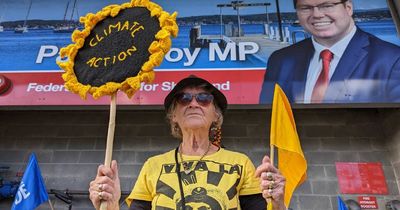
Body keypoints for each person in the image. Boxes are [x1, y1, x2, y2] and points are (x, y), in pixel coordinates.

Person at [88, 75, 287, 210]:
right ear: (173, 115)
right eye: (183, 98)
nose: (193, 103)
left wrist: (278, 204)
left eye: (204, 98)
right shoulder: (152, 165)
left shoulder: (240, 162)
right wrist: (112, 205)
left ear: (216, 115)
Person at [259, 0, 400, 104]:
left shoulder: (392, 59)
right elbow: (266, 119)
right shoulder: (280, 59)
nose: (317, 14)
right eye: (305, 8)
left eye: (327, 5)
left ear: (348, 8)